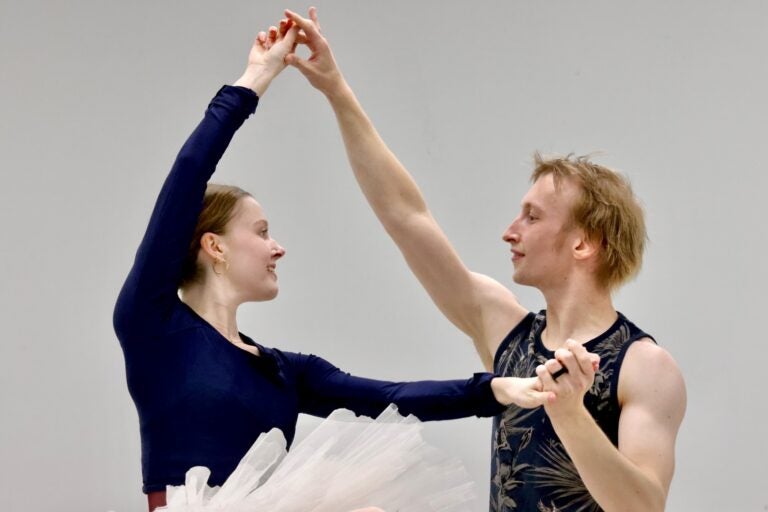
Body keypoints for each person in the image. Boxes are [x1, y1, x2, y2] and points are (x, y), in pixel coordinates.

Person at [112, 16, 548, 512]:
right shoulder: (153, 326)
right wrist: (257, 76)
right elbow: (190, 173)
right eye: (261, 232)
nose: (278, 248)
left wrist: (494, 389)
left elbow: (388, 397)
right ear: (214, 246)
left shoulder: (283, 372)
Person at [284, 7, 687, 512]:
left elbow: (644, 506)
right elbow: (406, 217)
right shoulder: (504, 329)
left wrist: (569, 413)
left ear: (584, 243)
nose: (509, 231)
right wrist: (337, 91)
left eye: (532, 217)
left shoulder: (644, 365)